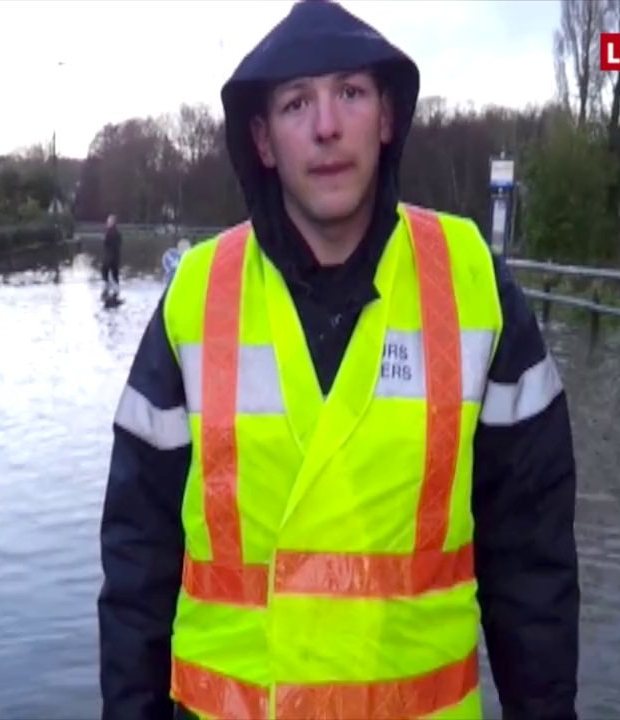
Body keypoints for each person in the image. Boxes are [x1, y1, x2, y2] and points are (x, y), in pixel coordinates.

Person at [97, 2, 580, 720]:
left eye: (350, 93)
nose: (326, 126)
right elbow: (137, 567)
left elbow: (532, 567)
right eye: (296, 103)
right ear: (262, 140)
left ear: (387, 117)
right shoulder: (195, 296)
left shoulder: (473, 284)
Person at [102, 214, 123, 296]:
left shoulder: (109, 233)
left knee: (105, 271)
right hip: (116, 257)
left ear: (112, 223)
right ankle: (115, 289)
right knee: (115, 274)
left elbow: (106, 244)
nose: (107, 223)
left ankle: (107, 286)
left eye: (108, 222)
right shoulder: (118, 233)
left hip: (109, 257)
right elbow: (119, 243)